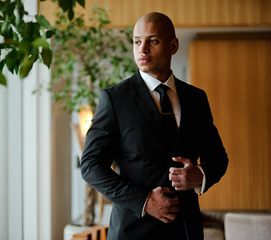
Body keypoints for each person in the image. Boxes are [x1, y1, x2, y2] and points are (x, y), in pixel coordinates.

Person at [80, 12, 228, 240]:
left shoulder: (196, 98)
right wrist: (144, 200)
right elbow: (90, 165)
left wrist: (200, 175)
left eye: (153, 41)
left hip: (186, 231)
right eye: (137, 41)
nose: (143, 49)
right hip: (132, 231)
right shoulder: (115, 98)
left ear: (173, 45)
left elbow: (218, 158)